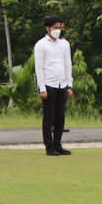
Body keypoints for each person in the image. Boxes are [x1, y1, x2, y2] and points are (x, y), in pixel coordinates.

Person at [34, 16, 73, 156]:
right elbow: (39, 68)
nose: (58, 30)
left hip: (62, 83)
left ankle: (58, 144)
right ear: (48, 28)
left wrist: (69, 84)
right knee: (49, 117)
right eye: (55, 27)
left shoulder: (65, 44)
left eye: (60, 28)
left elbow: (68, 64)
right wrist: (42, 88)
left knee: (60, 116)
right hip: (49, 84)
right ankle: (49, 146)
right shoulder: (41, 44)